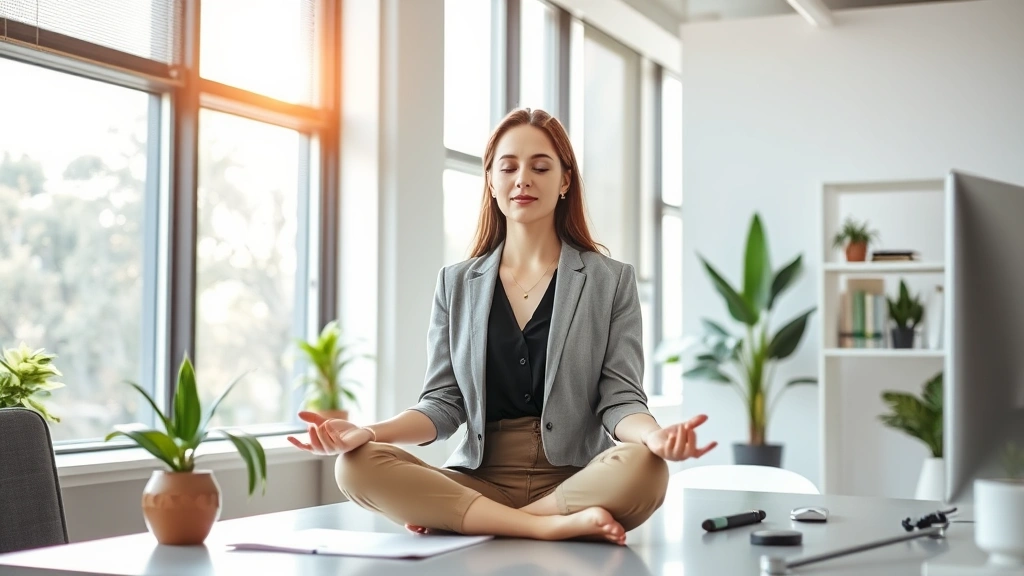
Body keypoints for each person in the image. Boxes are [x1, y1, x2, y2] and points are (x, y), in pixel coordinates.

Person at [288, 108, 717, 545]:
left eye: (540, 167)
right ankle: (541, 526)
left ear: (565, 181)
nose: (522, 179)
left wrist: (657, 437)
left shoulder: (611, 281)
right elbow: (442, 403)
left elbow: (621, 398)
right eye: (508, 167)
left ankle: (481, 522)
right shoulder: (455, 283)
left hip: (575, 479)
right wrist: (370, 432)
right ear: (491, 181)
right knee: (354, 465)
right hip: (478, 480)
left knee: (646, 468)